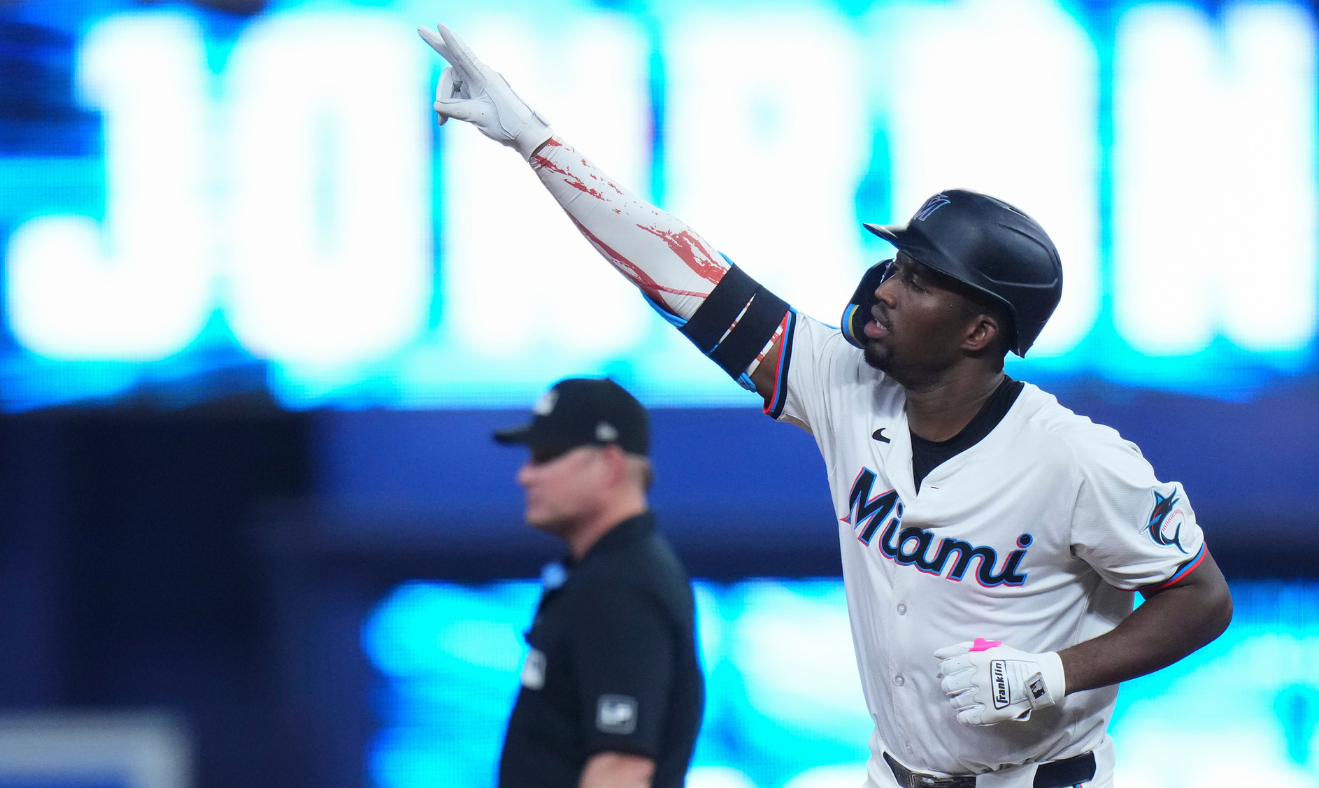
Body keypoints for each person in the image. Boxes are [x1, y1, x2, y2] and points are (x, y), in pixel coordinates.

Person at [421, 24, 1233, 788]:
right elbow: (683, 272)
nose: (885, 285)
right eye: (894, 264)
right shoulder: (841, 383)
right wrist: (535, 141)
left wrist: (1054, 672)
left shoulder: (1075, 458)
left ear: (981, 327)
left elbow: (1200, 597)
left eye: (918, 278)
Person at [491, 377, 704, 788]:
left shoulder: (622, 585)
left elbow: (621, 770)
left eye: (545, 456)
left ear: (608, 464)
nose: (525, 476)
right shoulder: (603, 572)